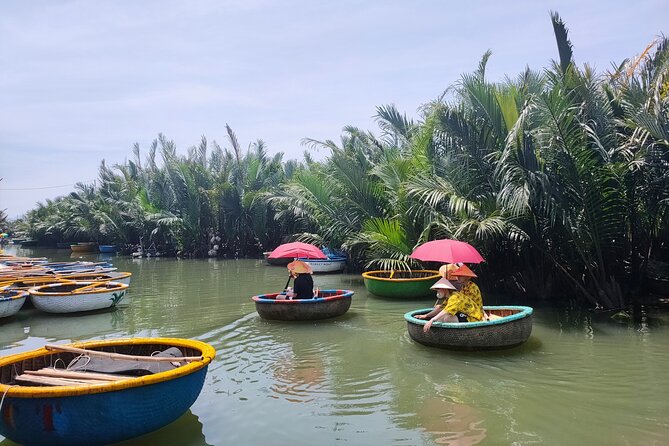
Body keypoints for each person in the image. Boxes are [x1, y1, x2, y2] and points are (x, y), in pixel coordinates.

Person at [423, 264, 486, 332]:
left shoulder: (471, 288)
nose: (457, 278)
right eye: (457, 276)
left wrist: (433, 319)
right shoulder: (459, 290)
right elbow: (442, 307)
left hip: (473, 315)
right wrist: (426, 316)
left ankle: (459, 333)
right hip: (465, 311)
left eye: (460, 276)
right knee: (440, 313)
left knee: (447, 318)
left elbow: (447, 309)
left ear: (466, 277)